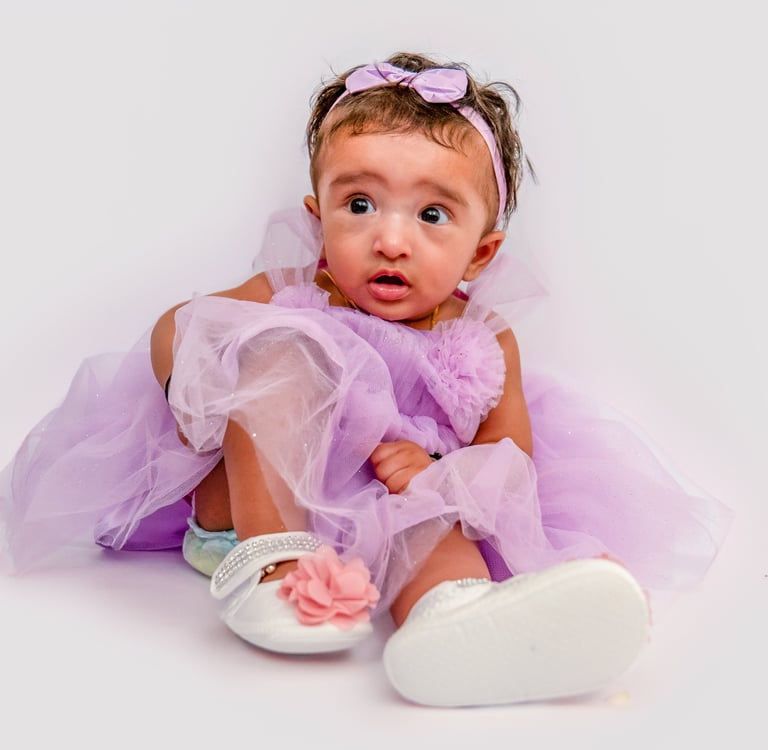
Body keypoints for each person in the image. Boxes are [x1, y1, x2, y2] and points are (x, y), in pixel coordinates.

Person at [0, 52, 732, 708]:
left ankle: (456, 622)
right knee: (279, 351)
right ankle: (272, 569)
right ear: (319, 220)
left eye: (433, 214)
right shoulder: (295, 291)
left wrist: (439, 468)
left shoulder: (483, 339)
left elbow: (513, 460)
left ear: (482, 253)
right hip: (253, 505)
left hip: (374, 520)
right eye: (359, 205)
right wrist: (196, 389)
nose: (390, 237)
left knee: (431, 517)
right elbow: (179, 327)